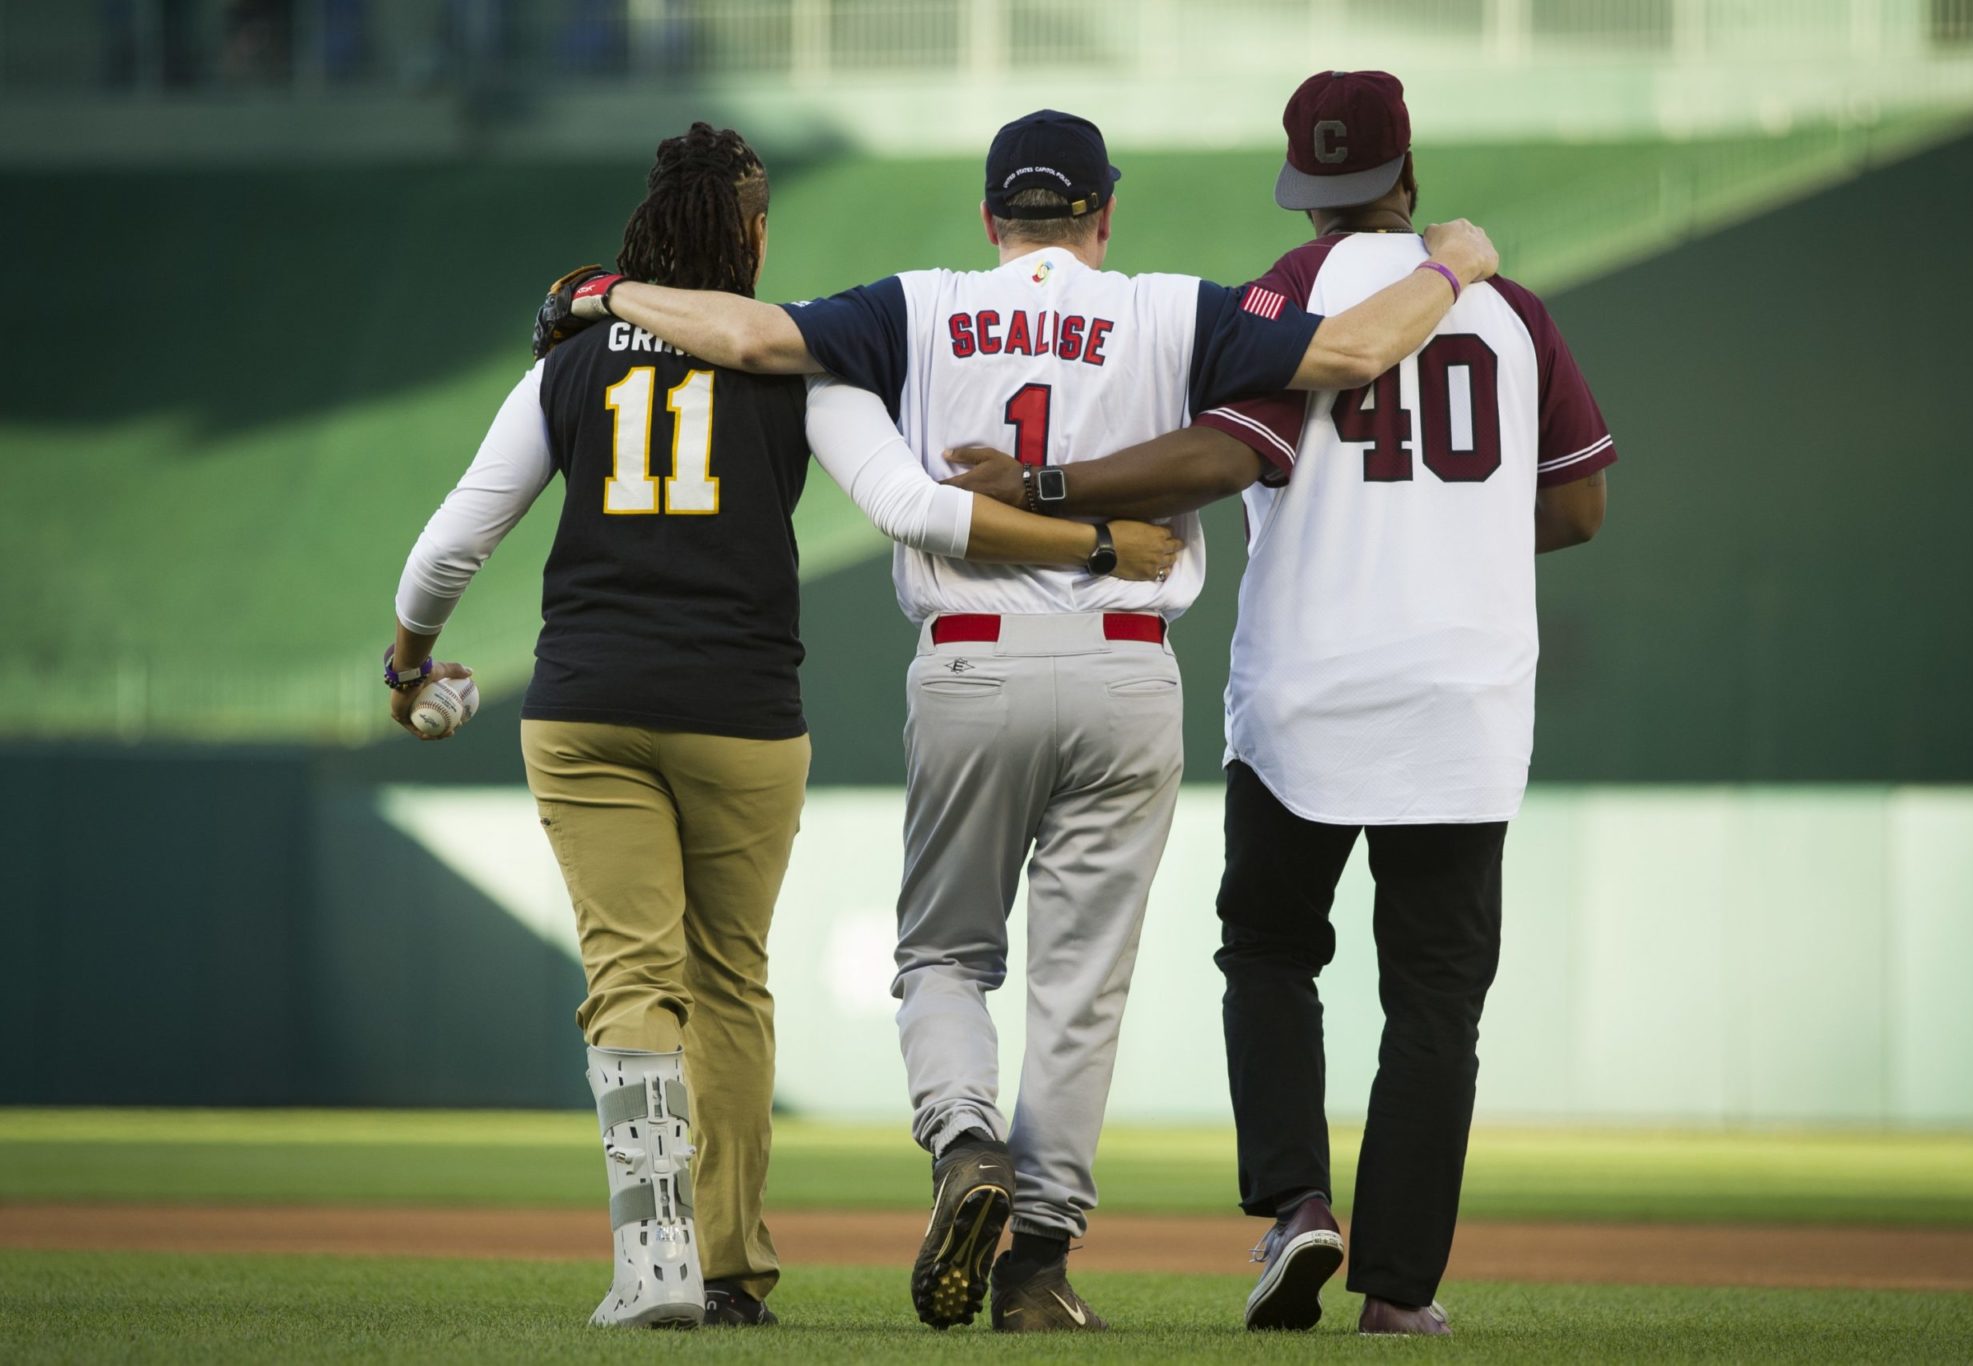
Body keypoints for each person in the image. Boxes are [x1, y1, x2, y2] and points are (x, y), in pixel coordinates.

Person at [539, 108, 1498, 1331]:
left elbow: (737, 330)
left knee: (943, 956)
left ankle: (960, 1147)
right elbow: (1360, 352)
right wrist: (1451, 263)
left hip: (968, 664)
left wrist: (602, 294)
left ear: (991, 220)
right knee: (1078, 987)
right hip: (1126, 662)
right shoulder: (1169, 306)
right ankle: (1036, 1265)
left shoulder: (919, 302)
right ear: (1104, 213)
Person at [384, 123, 1180, 1332]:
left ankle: (648, 1265)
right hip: (743, 713)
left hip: (589, 705)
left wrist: (407, 660)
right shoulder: (797, 363)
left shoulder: (571, 359)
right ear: (751, 234)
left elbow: (450, 546)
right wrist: (1099, 544)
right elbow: (917, 508)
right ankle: (728, 1266)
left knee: (630, 980)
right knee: (728, 981)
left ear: (643, 235)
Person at [939, 71, 1614, 1338]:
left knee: (1267, 950)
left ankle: (1296, 1205)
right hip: (1462, 707)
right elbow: (1576, 504)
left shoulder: (1281, 297)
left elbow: (1221, 455)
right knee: (1431, 1002)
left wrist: (1053, 480)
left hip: (1307, 693)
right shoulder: (1508, 310)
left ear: (1303, 191)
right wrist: (1446, 529)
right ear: (1407, 175)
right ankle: (1400, 1294)